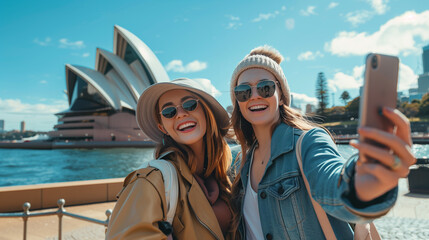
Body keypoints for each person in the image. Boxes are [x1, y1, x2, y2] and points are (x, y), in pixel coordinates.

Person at [229, 46, 416, 239]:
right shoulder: (242, 163)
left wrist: (364, 185)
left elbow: (332, 182)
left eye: (265, 87)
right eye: (243, 91)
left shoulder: (309, 141)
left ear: (282, 95)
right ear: (238, 102)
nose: (255, 96)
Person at [106, 78, 233, 240]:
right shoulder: (151, 180)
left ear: (207, 112)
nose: (180, 114)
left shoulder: (228, 175)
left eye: (189, 105)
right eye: (169, 112)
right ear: (162, 127)